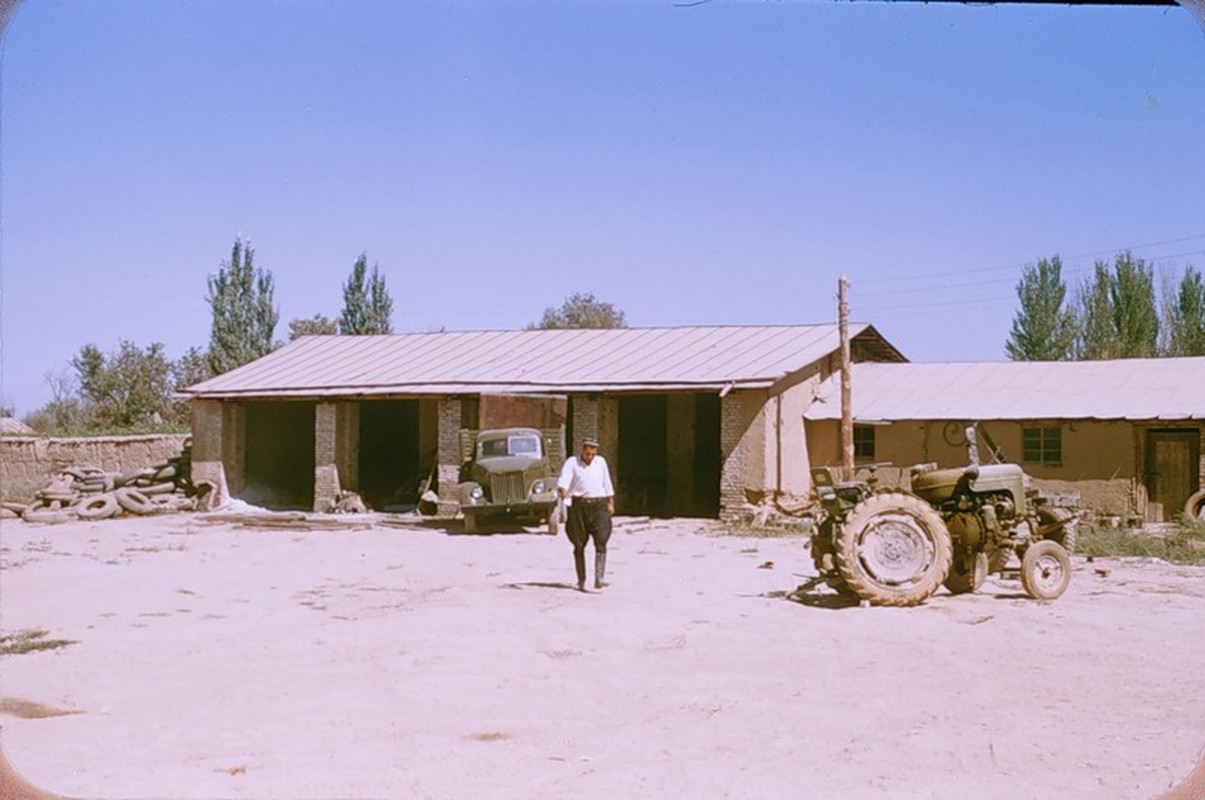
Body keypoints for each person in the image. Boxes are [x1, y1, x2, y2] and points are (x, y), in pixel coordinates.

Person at [556, 437, 615, 591]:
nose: (589, 457)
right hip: (579, 506)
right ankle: (581, 579)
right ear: (582, 450)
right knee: (579, 543)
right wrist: (563, 489)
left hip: (598, 506)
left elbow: (606, 482)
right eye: (587, 453)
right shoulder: (572, 462)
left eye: (592, 454)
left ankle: (599, 578)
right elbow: (564, 480)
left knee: (601, 539)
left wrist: (610, 502)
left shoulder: (600, 462)